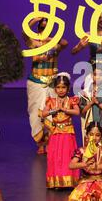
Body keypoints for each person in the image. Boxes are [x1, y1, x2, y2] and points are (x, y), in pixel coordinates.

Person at [24, 17, 68, 154]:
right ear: (38, 29)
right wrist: (34, 20)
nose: (44, 30)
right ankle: (40, 143)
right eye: (42, 27)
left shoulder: (54, 43)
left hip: (51, 83)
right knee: (35, 115)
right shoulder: (34, 43)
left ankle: (49, 142)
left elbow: (65, 43)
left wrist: (51, 39)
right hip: (36, 82)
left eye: (47, 27)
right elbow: (25, 33)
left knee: (52, 113)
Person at [41, 73, 80, 188]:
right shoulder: (51, 101)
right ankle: (56, 181)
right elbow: (43, 113)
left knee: (67, 155)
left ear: (68, 88)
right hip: (56, 132)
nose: (61, 90)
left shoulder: (72, 100)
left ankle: (70, 181)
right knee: (56, 156)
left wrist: (64, 109)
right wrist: (54, 110)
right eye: (58, 87)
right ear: (55, 89)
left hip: (68, 133)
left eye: (63, 87)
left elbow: (77, 112)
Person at [68, 122, 102, 201]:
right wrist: (84, 164)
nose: (94, 138)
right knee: (76, 199)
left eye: (97, 135)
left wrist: (97, 167)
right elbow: (71, 165)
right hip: (86, 181)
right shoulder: (81, 150)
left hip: (101, 181)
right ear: (87, 135)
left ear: (101, 137)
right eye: (91, 134)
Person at [79, 64, 102, 144]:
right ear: (91, 75)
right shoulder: (86, 92)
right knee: (88, 152)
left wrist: (98, 103)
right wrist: (91, 103)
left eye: (101, 75)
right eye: (95, 74)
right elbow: (82, 111)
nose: (98, 77)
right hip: (89, 125)